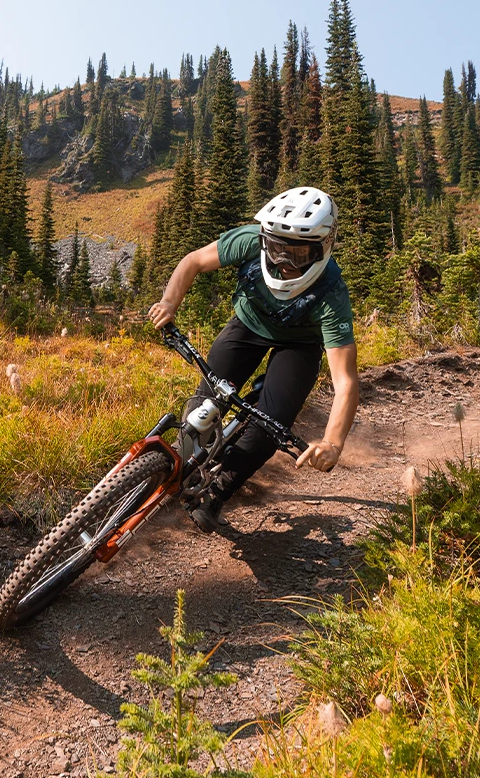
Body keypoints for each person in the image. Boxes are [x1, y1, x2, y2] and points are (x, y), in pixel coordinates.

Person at [148, 186, 359, 534]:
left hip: (299, 346)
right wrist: (169, 303)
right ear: (264, 240)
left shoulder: (332, 293)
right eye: (276, 249)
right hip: (247, 325)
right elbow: (194, 261)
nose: (284, 263)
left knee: (271, 424)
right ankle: (183, 458)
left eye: (297, 254)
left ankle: (218, 492)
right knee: (207, 402)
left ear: (323, 248)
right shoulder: (249, 240)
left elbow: (346, 382)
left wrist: (332, 443)